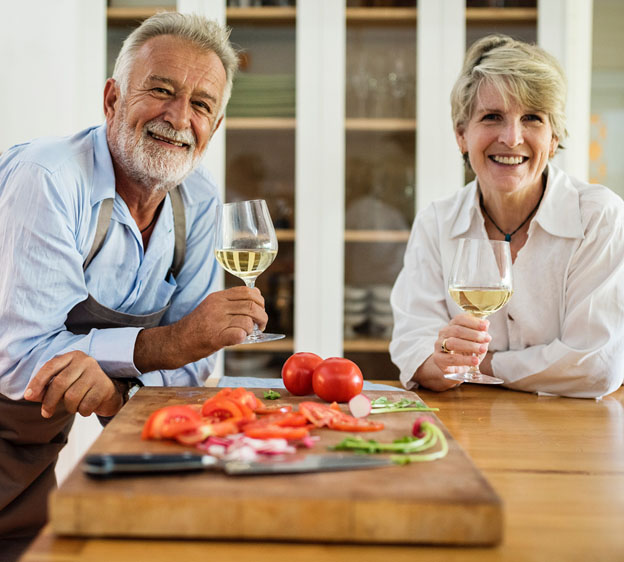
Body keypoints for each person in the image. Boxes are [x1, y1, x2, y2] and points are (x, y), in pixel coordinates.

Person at [0, 12, 268, 555]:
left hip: (34, 448)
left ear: (213, 129)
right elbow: (20, 359)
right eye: (161, 90)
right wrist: (169, 343)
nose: (178, 117)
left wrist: (114, 389)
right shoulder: (50, 178)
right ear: (112, 99)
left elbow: (191, 371)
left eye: (200, 104)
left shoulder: (199, 202)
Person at [390, 34, 624, 400]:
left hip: (577, 438)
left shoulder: (598, 217)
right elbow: (410, 346)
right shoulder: (437, 222)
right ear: (461, 135)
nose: (512, 138)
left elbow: (595, 365)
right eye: (492, 117)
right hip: (469, 429)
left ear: (554, 136)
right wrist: (438, 362)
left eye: (531, 117)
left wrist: (482, 365)